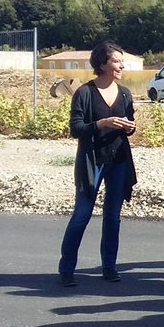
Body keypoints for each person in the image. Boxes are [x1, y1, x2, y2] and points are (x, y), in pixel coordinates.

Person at [58, 40, 137, 286]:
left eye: (122, 62)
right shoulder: (84, 93)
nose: (121, 66)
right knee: (82, 215)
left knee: (113, 217)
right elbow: (76, 129)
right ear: (102, 64)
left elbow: (130, 124)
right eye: (117, 61)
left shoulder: (125, 93)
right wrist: (102, 124)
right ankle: (67, 269)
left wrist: (129, 127)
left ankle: (109, 267)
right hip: (92, 161)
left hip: (119, 160)